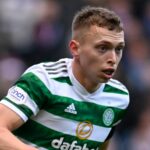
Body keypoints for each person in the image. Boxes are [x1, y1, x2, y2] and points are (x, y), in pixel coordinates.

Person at [0, 6, 130, 150]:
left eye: (118, 49)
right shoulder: (44, 81)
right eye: (102, 48)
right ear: (75, 48)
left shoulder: (119, 97)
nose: (113, 58)